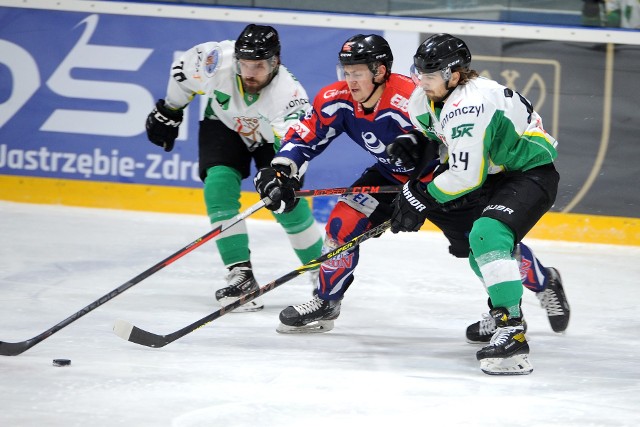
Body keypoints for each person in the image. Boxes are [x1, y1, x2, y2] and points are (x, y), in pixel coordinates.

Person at [253, 34, 569, 340]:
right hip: (390, 179)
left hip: (442, 182)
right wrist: (281, 170)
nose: (350, 81)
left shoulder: (411, 95)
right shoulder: (338, 99)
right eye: (346, 72)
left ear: (379, 71)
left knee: (484, 246)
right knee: (342, 223)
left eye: (357, 73)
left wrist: (417, 166)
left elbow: (456, 159)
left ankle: (542, 283)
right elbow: (306, 135)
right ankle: (325, 300)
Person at [388, 33, 567, 375]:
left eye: (431, 75)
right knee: (476, 249)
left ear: (454, 75)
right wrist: (413, 142)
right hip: (495, 173)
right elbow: (436, 137)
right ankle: (505, 311)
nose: (422, 81)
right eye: (419, 73)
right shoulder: (426, 97)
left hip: (530, 172)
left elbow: (466, 176)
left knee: (487, 234)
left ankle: (512, 331)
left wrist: (421, 198)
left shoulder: (471, 103)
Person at [144, 24, 323, 311]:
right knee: (218, 187)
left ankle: (322, 270)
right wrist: (170, 109)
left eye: (259, 66)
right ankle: (241, 275)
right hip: (224, 124)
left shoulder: (289, 95)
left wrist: (285, 177)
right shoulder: (215, 59)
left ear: (275, 62)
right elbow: (182, 71)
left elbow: (296, 144)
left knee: (286, 206)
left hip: (273, 141)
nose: (250, 74)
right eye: (245, 65)